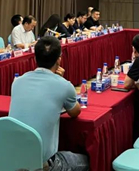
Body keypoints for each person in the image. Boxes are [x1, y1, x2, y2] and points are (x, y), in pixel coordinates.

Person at [9, 36, 88, 170]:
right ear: (59, 59)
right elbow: (75, 112)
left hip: (13, 160)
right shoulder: (64, 85)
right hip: (43, 165)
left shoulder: (17, 82)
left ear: (35, 58)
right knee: (87, 161)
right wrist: (61, 82)